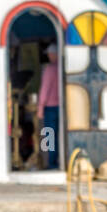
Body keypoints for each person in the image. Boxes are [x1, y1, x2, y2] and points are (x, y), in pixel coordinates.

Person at [36, 42, 60, 170]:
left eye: (50, 54)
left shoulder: (49, 69)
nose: (49, 56)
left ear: (53, 54)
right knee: (60, 135)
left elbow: (44, 90)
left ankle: (50, 163)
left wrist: (40, 108)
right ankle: (60, 160)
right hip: (62, 107)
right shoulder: (62, 68)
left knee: (49, 135)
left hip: (50, 107)